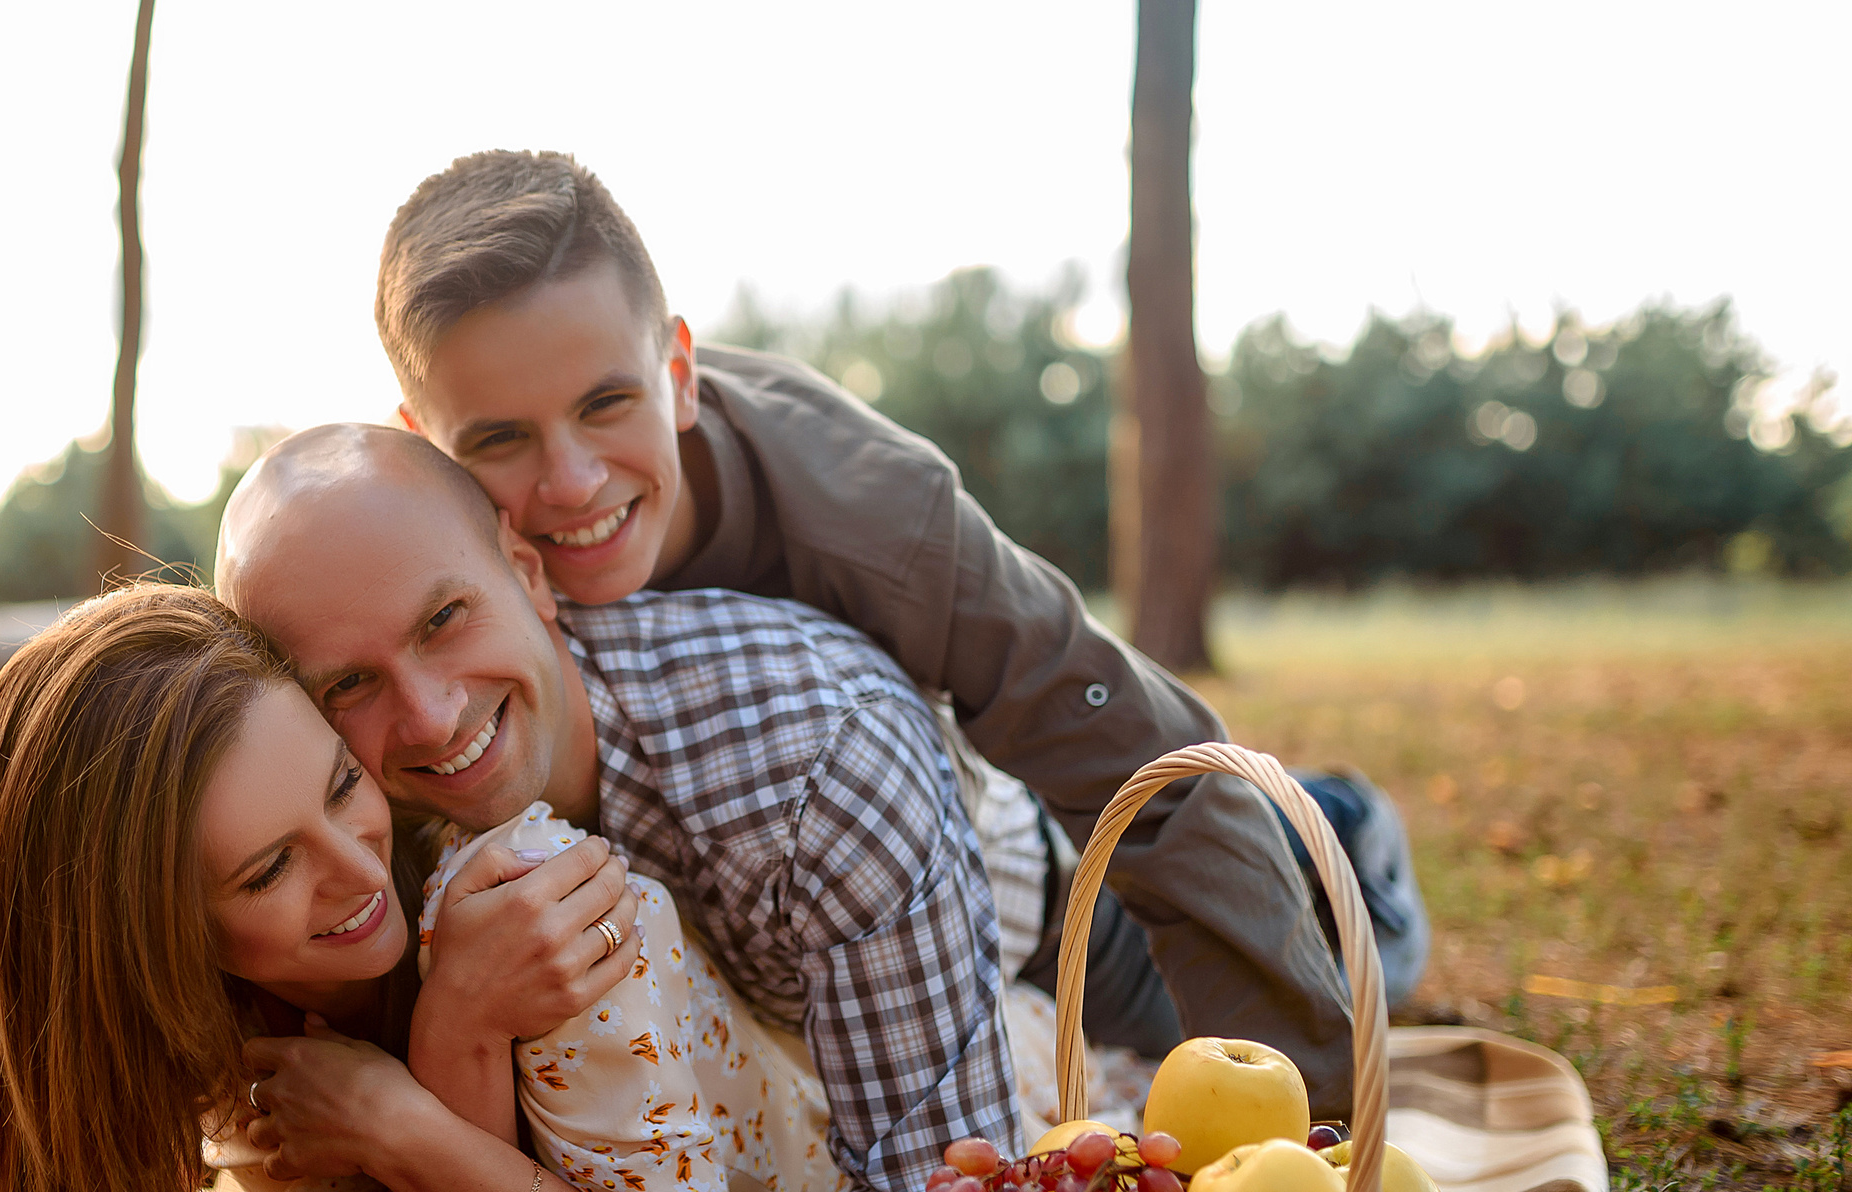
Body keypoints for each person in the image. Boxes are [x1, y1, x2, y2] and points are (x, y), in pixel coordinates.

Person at [371, 151, 1434, 1113]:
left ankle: (1348, 837)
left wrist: (1324, 1125)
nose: (571, 480)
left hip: (1045, 891)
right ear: (422, 443)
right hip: (786, 941)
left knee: (1219, 982)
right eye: (500, 438)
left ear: (679, 375)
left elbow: (1146, 764)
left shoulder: (878, 516)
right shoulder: (397, 564)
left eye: (607, 404)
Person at [214, 423, 1025, 1192]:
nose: (431, 716)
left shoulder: (820, 763)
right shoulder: (335, 831)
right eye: (348, 683)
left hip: (1032, 906)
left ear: (528, 569)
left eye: (444, 620)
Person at [0, 583, 847, 1192]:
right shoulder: (223, 1034)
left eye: (339, 787)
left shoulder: (530, 907)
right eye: (268, 870)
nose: (362, 874)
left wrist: (424, 1085)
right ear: (158, 945)